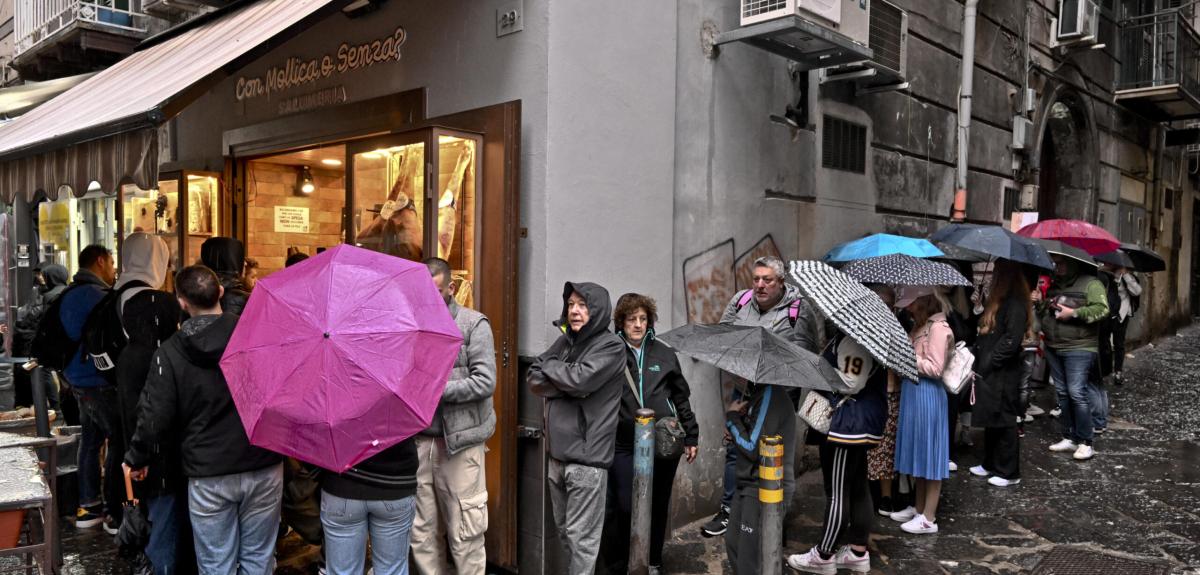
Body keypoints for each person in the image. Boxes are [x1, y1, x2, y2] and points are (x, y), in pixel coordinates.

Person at [125, 265, 284, 575]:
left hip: (209, 472)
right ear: (221, 292)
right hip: (263, 461)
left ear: (182, 302)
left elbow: (155, 417)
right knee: (259, 560)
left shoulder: (169, 354)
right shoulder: (256, 336)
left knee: (216, 564)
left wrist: (137, 457)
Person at [702, 256, 822, 539]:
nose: (759, 285)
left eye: (767, 280)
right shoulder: (741, 301)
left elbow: (805, 357)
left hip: (776, 395)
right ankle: (732, 510)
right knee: (735, 448)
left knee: (771, 455)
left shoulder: (798, 311)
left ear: (780, 282)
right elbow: (723, 336)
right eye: (756, 279)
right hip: (743, 389)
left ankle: (773, 516)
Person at [528, 282, 624, 575]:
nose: (574, 311)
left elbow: (582, 380)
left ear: (596, 310)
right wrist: (567, 382)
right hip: (556, 457)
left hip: (586, 460)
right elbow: (533, 377)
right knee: (567, 536)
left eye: (582, 305)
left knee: (582, 543)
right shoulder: (566, 343)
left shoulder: (611, 345)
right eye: (571, 305)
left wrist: (559, 374)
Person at [601, 293, 699, 574]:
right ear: (621, 322)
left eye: (643, 319)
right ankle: (625, 563)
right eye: (632, 319)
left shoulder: (664, 353)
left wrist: (691, 435)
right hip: (622, 443)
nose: (638, 325)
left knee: (657, 504)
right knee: (624, 505)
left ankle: (653, 561)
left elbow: (681, 398)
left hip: (662, 444)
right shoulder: (610, 352)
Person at [411, 258, 497, 575]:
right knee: (421, 532)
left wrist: (434, 388)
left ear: (450, 288)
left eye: (436, 291)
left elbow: (485, 381)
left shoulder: (474, 325)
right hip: (420, 441)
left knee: (465, 531)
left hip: (460, 445)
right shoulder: (414, 327)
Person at [113, 233, 189, 574]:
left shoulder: (130, 356)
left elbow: (135, 413)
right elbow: (157, 412)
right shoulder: (170, 354)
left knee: (159, 517)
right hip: (166, 458)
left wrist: (135, 455)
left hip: (145, 454)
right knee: (167, 523)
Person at [787, 325, 888, 574]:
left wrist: (821, 370)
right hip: (856, 423)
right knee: (857, 488)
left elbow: (852, 383)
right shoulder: (861, 335)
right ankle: (856, 552)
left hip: (848, 424)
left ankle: (823, 556)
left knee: (837, 492)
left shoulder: (855, 340)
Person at [59, 245, 120, 530]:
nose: (113, 268)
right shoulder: (98, 297)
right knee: (118, 438)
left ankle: (89, 504)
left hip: (77, 379)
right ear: (100, 261)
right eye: (111, 262)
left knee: (90, 440)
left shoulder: (69, 294)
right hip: (98, 380)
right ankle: (113, 510)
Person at [890, 287, 953, 535]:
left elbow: (936, 368)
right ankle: (918, 508)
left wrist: (906, 357)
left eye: (912, 303)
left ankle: (929, 517)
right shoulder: (921, 326)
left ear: (924, 302)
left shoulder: (938, 328)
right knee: (918, 451)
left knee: (931, 454)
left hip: (928, 394)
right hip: (915, 393)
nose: (908, 308)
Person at [969, 261, 1035, 488]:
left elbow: (1011, 340)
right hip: (992, 369)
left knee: (1005, 419)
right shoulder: (1001, 301)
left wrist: (989, 361)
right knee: (991, 416)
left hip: (1004, 372)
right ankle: (990, 463)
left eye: (997, 274)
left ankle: (1008, 471)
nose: (992, 278)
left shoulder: (1015, 304)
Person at [1037, 254, 1108, 461]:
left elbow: (1102, 310)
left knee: (1077, 393)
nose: (1056, 267)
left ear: (1073, 263)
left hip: (1080, 346)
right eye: (1055, 263)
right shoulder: (1055, 285)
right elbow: (1047, 314)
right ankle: (1069, 436)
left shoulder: (1091, 284)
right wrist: (1042, 303)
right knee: (1063, 393)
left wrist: (1074, 313)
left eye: (1060, 263)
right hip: (1054, 345)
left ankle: (1086, 441)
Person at [14, 264, 69, 412]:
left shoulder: (49, 295)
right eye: (38, 274)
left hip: (55, 341)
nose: (40, 277)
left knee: (46, 371)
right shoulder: (63, 291)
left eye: (42, 274)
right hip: (65, 342)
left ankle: (57, 407)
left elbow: (43, 320)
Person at [1098, 264, 1141, 386]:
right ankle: (1104, 370)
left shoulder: (1128, 276)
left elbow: (1137, 291)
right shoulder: (1105, 273)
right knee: (1103, 342)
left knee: (1119, 343)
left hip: (1121, 314)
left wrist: (1126, 274)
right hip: (1107, 312)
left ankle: (1118, 372)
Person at [200, 237, 251, 315]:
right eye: (240, 258)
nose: (245, 263)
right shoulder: (245, 299)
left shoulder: (194, 294)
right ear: (231, 260)